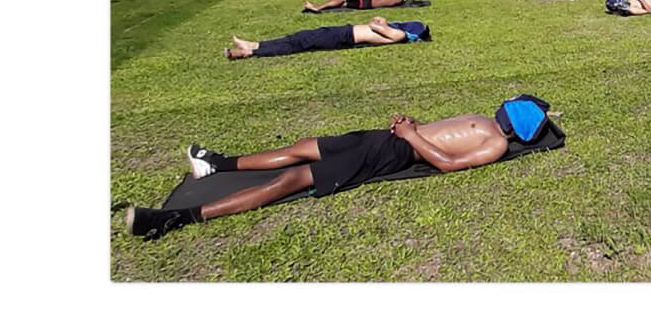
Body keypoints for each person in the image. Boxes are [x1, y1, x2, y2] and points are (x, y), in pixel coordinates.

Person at [125, 103, 512, 240]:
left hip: (391, 154)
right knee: (300, 147)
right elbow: (438, 134)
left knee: (291, 180)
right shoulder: (486, 119)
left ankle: (175, 219)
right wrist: (412, 124)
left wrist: (409, 135)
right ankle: (217, 164)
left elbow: (447, 164)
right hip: (384, 137)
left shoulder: (497, 144)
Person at [224, 17, 430, 59]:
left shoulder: (402, 35)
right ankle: (255, 45)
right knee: (298, 38)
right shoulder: (402, 34)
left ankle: (249, 52)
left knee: (299, 43)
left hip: (344, 37)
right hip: (343, 34)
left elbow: (378, 27)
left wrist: (381, 22)